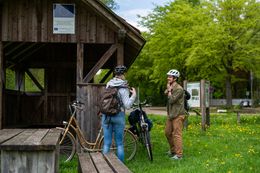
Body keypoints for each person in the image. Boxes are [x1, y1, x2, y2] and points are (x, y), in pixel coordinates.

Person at [102, 65, 136, 162]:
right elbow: (127, 105)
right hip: (118, 115)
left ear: (115, 74)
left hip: (106, 115)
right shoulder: (124, 87)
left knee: (106, 143)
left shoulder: (108, 84)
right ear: (124, 74)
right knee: (119, 144)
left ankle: (104, 167)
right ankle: (120, 168)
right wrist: (134, 95)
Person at [164, 69, 186, 160]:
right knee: (167, 132)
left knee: (177, 135)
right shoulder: (171, 86)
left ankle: (179, 155)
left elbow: (172, 100)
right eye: (168, 76)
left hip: (178, 114)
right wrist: (168, 88)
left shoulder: (179, 89)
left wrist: (169, 91)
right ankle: (173, 150)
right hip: (171, 114)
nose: (168, 78)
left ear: (175, 78)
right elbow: (165, 93)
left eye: (170, 77)